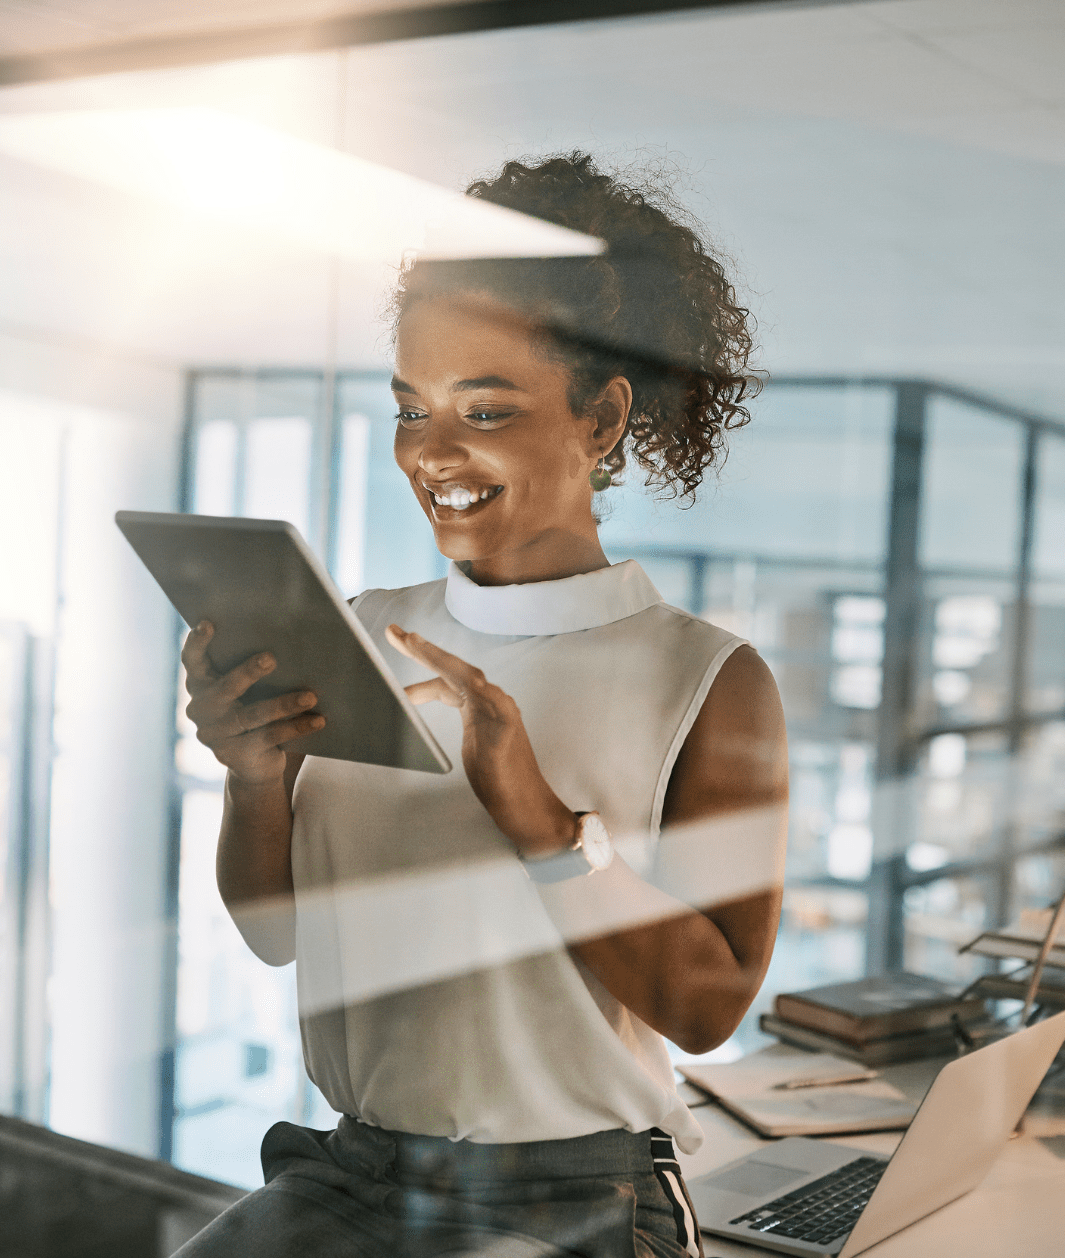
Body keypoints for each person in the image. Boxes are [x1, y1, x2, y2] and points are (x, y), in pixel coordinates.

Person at [174, 153, 788, 1258]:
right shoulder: (357, 627)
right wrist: (251, 776)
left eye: (486, 409)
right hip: (354, 1178)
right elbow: (273, 931)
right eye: (412, 409)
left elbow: (708, 1008)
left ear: (599, 422)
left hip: (576, 1201)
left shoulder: (703, 679)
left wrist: (546, 834)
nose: (432, 453)